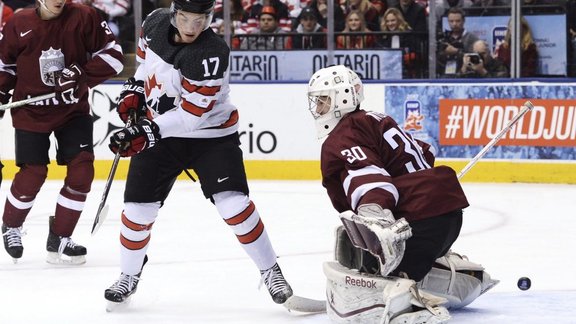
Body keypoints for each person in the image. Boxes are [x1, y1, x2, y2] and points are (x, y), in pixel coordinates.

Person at [103, 0, 293, 310]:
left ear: (209, 17)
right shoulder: (153, 23)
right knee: (137, 212)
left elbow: (192, 116)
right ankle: (128, 274)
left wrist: (146, 131)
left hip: (211, 136)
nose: (193, 27)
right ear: (174, 13)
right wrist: (135, 90)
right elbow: (143, 63)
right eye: (186, 18)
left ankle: (271, 270)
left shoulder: (210, 53)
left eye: (201, 19)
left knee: (234, 205)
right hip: (163, 135)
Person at [306, 65, 498, 323]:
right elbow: (421, 155)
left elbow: (367, 176)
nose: (317, 107)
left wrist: (375, 215)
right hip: (445, 215)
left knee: (378, 261)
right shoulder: (375, 119)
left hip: (417, 223)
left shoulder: (343, 135)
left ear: (342, 98)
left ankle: (404, 297)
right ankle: (433, 265)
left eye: (323, 100)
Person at [0, 0, 124, 264]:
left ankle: (60, 237)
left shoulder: (84, 16)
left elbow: (114, 56)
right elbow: (5, 65)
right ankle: (11, 226)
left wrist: (81, 74)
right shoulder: (18, 23)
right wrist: (0, 91)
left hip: (72, 112)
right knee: (33, 172)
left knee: (82, 171)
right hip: (31, 112)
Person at [436, 7, 478, 77]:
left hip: (466, 76)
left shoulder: (471, 38)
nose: (454, 24)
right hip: (445, 76)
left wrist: (457, 52)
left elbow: (476, 61)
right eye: (451, 21)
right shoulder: (444, 38)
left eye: (458, 21)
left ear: (463, 21)